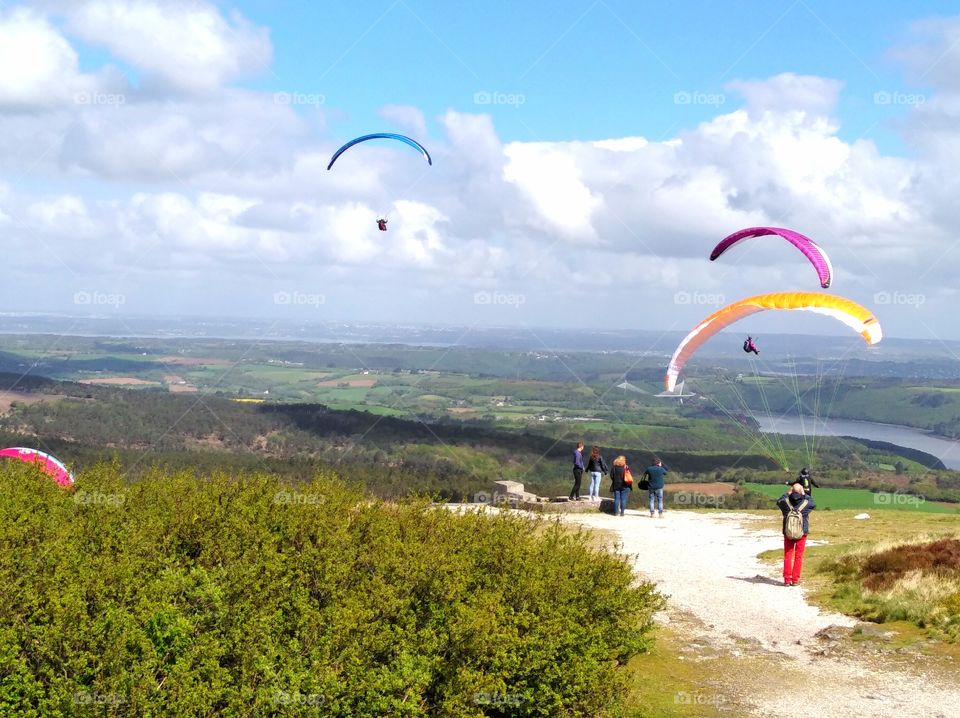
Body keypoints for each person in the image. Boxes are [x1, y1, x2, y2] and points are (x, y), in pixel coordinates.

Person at [777, 483, 816, 586]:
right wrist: (804, 494)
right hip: (802, 533)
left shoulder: (785, 502)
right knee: (798, 556)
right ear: (801, 491)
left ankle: (787, 580)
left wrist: (787, 493)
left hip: (788, 533)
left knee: (788, 556)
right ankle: (795, 580)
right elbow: (813, 503)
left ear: (792, 491)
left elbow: (779, 501)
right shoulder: (806, 502)